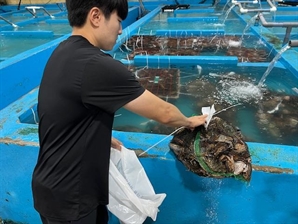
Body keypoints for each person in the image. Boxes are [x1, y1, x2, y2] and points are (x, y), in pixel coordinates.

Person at [31, 0, 208, 223]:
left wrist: (98, 138)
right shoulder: (96, 65)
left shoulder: (63, 51)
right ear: (96, 17)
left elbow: (63, 113)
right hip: (72, 198)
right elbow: (163, 112)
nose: (121, 29)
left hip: (52, 186)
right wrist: (190, 122)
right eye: (118, 20)